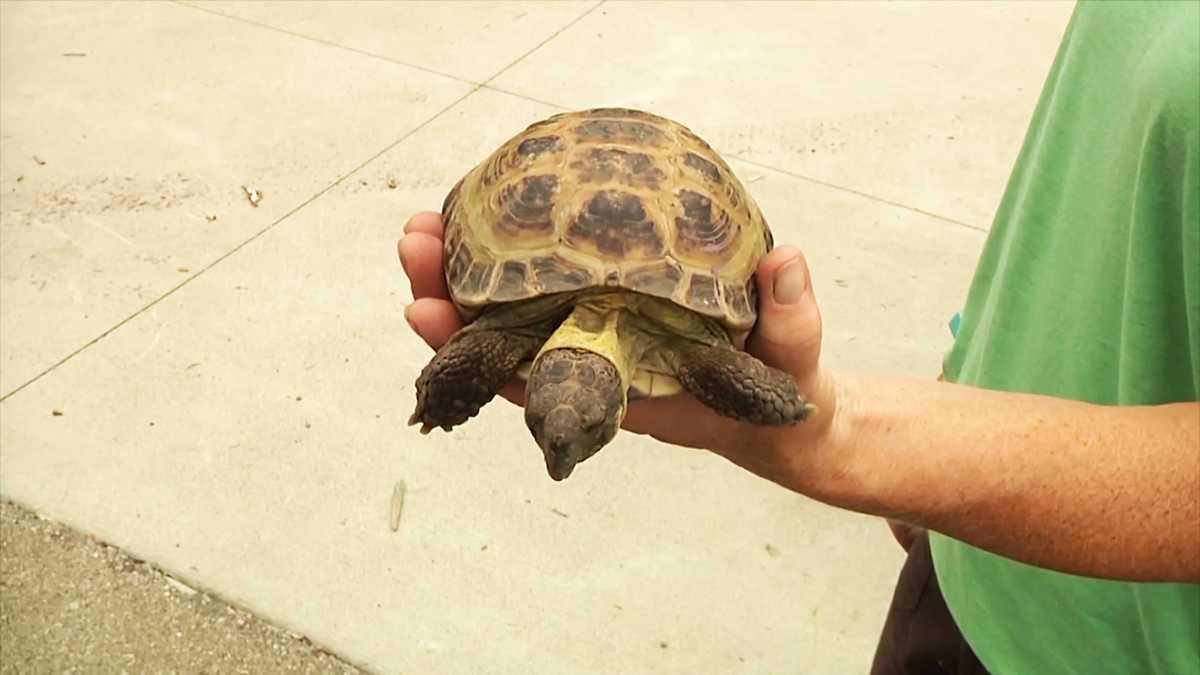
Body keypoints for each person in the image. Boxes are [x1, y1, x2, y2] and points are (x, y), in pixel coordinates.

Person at [397, 2, 1199, 672]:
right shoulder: (528, 334)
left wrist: (841, 437)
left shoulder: (662, 341)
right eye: (559, 427)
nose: (561, 449)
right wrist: (961, 382)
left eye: (572, 425)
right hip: (961, 567)